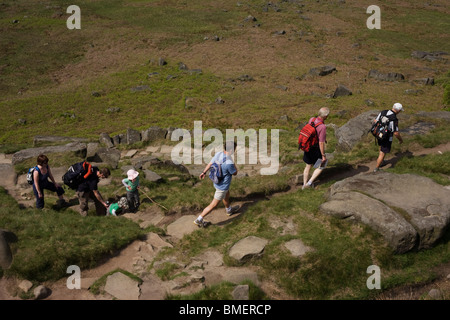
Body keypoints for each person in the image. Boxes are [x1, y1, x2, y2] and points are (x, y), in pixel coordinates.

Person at [194, 141, 240, 227]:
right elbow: (235, 173)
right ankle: (199, 219)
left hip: (216, 182)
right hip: (222, 186)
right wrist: (233, 163)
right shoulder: (229, 162)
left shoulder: (218, 154)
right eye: (234, 149)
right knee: (213, 204)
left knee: (227, 194)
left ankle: (229, 210)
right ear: (231, 150)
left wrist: (204, 172)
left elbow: (210, 163)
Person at [302, 107, 330, 189]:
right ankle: (309, 183)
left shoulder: (312, 119)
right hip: (315, 149)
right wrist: (323, 155)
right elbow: (321, 143)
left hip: (307, 146)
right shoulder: (322, 127)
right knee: (321, 165)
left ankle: (304, 185)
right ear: (325, 116)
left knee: (308, 165)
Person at [373, 103, 404, 172]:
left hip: (378, 134)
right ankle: (377, 168)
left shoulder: (383, 112)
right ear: (398, 110)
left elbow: (375, 121)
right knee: (383, 152)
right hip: (386, 137)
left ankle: (382, 161)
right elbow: (396, 133)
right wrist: (400, 140)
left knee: (381, 148)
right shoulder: (394, 119)